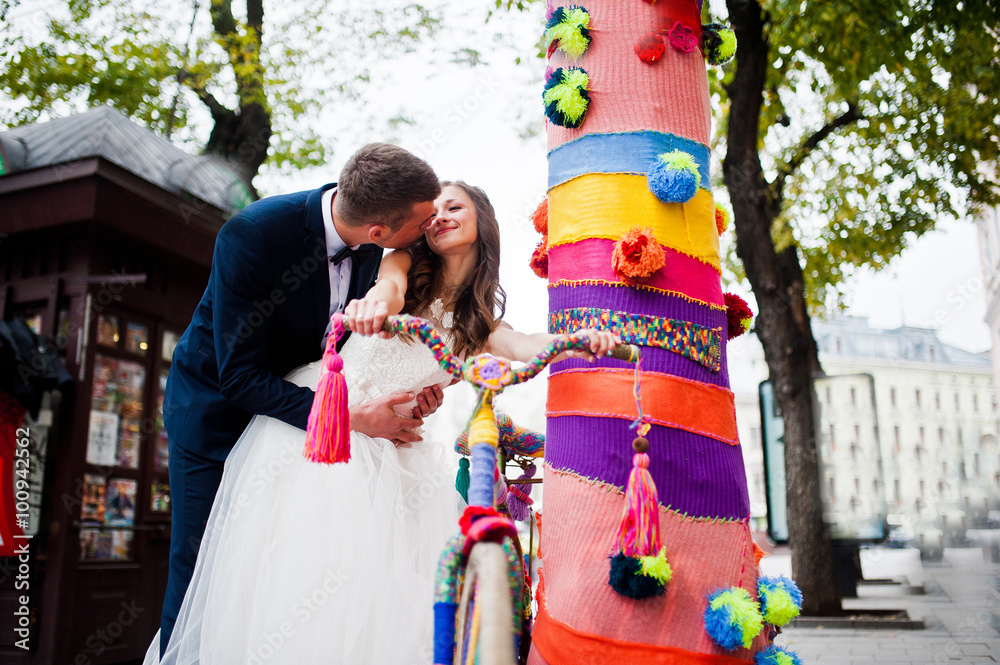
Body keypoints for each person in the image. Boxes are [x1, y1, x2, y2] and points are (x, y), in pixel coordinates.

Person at [144, 181, 618, 664]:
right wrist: (375, 306)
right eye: (433, 210)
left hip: (392, 448)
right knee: (290, 573)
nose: (440, 216)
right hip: (329, 427)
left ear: (484, 225)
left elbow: (523, 346)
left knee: (377, 590)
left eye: (454, 206)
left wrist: (577, 341)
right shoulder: (402, 265)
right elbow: (386, 292)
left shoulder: (482, 327)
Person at [157, 143, 447, 656]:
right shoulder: (253, 235)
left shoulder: (381, 254)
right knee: (205, 568)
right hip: (217, 420)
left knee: (277, 571)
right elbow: (241, 378)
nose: (429, 228)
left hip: (298, 435)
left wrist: (411, 393)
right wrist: (354, 419)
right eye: (423, 221)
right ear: (379, 230)